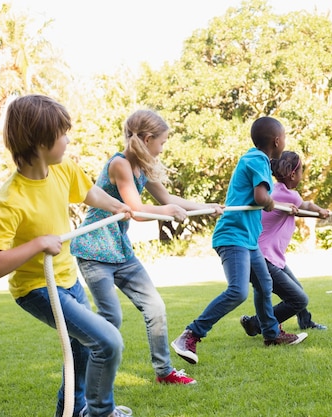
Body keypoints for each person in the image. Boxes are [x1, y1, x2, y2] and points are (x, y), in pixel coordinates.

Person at [0, 95, 134, 417]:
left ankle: (73, 412)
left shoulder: (63, 170)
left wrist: (114, 205)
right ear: (39, 141)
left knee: (82, 355)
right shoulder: (9, 200)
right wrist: (37, 244)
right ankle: (100, 412)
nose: (67, 140)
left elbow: (88, 192)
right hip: (38, 289)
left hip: (69, 280)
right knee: (107, 342)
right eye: (62, 133)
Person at [70, 110, 222, 386]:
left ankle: (164, 373)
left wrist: (207, 207)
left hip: (119, 250)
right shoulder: (120, 164)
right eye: (162, 142)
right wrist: (167, 210)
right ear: (149, 138)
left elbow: (167, 197)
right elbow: (136, 211)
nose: (163, 149)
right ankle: (90, 380)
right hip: (94, 250)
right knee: (110, 318)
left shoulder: (141, 165)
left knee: (155, 307)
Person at [171, 116, 308, 365]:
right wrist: (270, 203)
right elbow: (259, 196)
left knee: (265, 284)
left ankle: (271, 334)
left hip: (248, 239)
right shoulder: (258, 160)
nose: (284, 141)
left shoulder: (253, 158)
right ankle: (191, 334)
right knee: (237, 291)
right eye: (284, 137)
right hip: (233, 236)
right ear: (277, 140)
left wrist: (267, 202)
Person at [239, 151, 329, 337]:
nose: (302, 175)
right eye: (301, 171)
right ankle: (257, 324)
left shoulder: (270, 189)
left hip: (265, 255)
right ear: (293, 174)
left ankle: (305, 321)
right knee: (297, 299)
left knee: (295, 290)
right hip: (265, 257)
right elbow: (306, 208)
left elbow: (297, 209)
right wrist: (321, 211)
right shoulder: (289, 194)